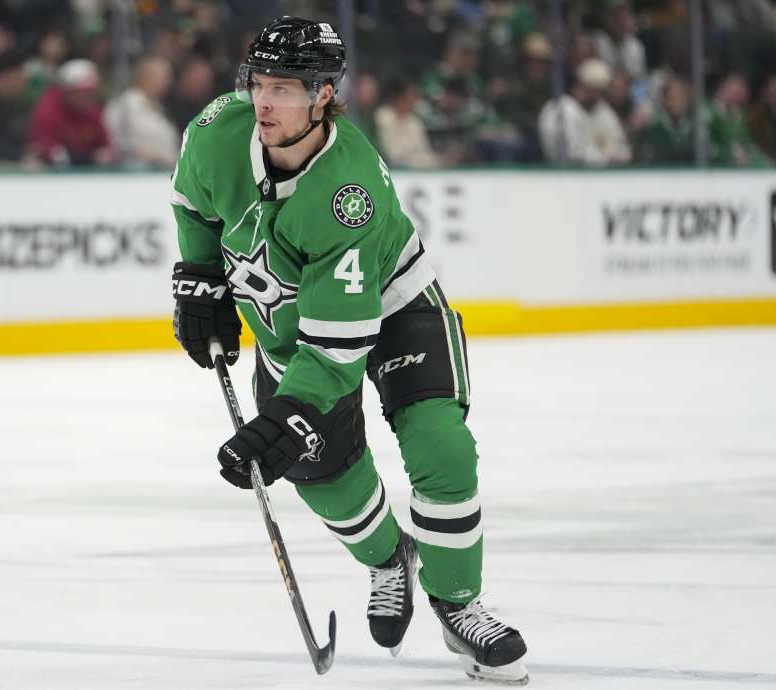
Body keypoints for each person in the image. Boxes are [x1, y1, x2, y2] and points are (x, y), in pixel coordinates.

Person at [168, 16, 529, 685]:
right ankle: (389, 559)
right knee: (323, 479)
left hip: (393, 310)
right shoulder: (217, 131)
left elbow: (337, 348)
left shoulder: (347, 194)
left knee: (441, 446)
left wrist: (285, 417)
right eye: (259, 83)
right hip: (286, 329)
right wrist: (199, 275)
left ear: (325, 94)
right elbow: (193, 205)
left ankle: (457, 602)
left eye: (285, 87)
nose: (265, 102)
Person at [538, 58, 632, 165]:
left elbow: (623, 150)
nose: (596, 93)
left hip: (602, 176)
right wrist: (604, 158)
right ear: (580, 84)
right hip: (564, 175)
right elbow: (570, 154)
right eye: (592, 87)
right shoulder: (561, 108)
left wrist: (615, 156)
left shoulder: (602, 110)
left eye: (600, 89)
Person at [27, 58, 113, 167]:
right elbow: (45, 149)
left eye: (89, 92)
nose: (85, 97)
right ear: (65, 91)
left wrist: (102, 154)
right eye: (79, 92)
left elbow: (105, 146)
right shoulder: (47, 111)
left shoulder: (93, 111)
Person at [103, 55, 179, 170]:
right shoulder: (127, 103)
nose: (167, 82)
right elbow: (118, 141)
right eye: (163, 77)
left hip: (162, 172)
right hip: (133, 173)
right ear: (146, 76)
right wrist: (153, 156)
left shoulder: (159, 107)